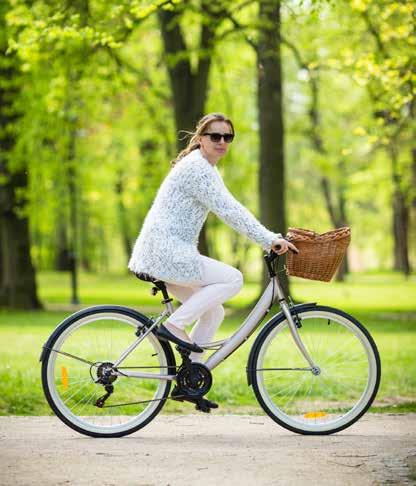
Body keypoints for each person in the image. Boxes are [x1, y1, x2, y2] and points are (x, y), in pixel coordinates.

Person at [128, 113, 298, 363]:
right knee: (233, 278)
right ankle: (175, 325)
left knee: (213, 313)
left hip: (164, 253)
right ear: (200, 139)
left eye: (228, 137)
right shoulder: (197, 168)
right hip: (165, 253)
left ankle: (192, 376)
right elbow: (229, 210)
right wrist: (269, 239)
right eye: (215, 136)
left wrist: (267, 237)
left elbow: (230, 207)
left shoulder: (206, 167)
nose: (222, 141)